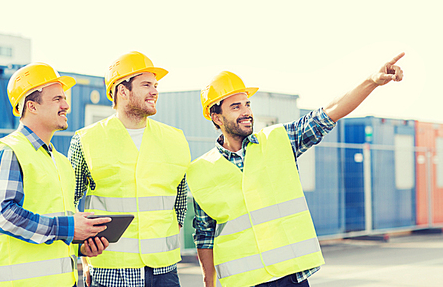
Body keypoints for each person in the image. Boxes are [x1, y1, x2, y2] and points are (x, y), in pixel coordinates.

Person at [186, 53, 405, 287]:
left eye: (247, 104)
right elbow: (205, 236)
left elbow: (329, 112)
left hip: (290, 277)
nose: (246, 112)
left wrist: (371, 80)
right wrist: (208, 283)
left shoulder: (279, 140)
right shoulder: (200, 171)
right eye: (236, 106)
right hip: (243, 281)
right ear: (216, 116)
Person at [0, 62, 111, 287]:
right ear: (32, 106)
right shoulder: (8, 152)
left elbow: (56, 225)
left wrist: (80, 244)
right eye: (57, 99)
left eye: (64, 98)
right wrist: (69, 227)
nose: (66, 105)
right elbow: (2, 215)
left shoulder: (60, 162)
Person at [68, 51, 191, 287]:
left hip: (164, 271)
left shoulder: (175, 138)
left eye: (155, 85)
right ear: (122, 91)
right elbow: (66, 200)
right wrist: (81, 246)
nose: (155, 91)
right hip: (111, 271)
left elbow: (181, 199)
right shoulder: (86, 140)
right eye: (146, 84)